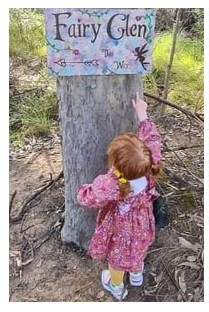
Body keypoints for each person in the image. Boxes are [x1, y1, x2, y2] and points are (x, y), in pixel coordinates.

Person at [77, 92, 162, 300]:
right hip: (142, 223)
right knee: (139, 247)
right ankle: (136, 276)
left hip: (121, 230)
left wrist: (82, 189)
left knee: (117, 260)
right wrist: (143, 114)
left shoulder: (112, 184)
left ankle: (116, 285)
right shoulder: (150, 166)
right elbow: (152, 139)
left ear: (115, 166)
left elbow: (87, 198)